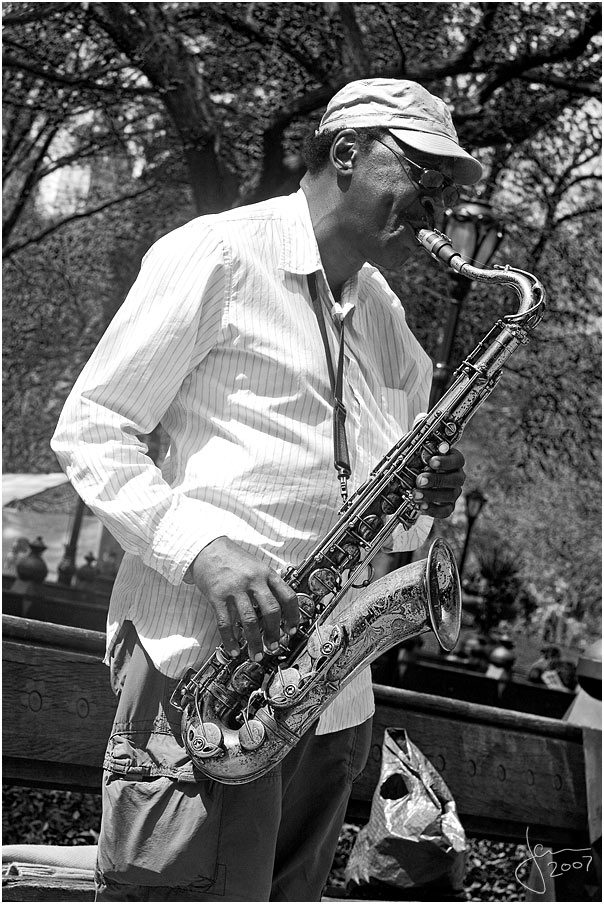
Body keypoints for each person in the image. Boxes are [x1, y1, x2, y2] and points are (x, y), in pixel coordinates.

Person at [51, 78, 482, 902]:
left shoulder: (387, 316)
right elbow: (91, 427)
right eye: (422, 171)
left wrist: (430, 495)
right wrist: (202, 551)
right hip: (208, 683)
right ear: (347, 152)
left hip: (334, 703)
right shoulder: (215, 253)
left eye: (447, 188)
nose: (435, 203)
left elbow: (386, 500)